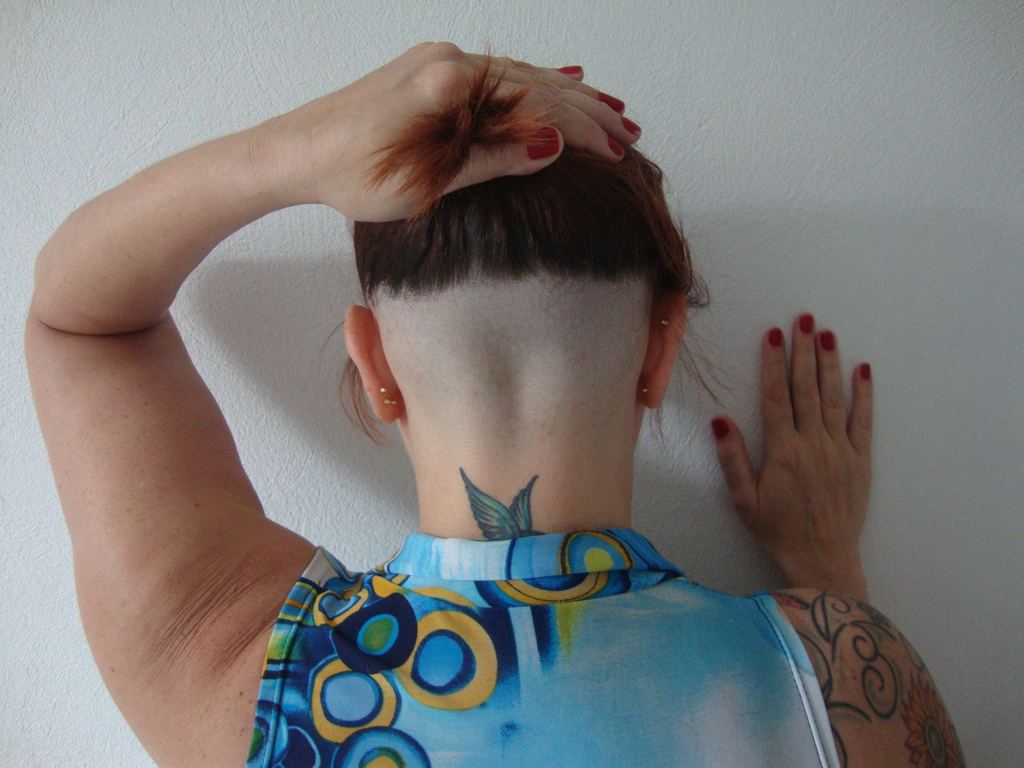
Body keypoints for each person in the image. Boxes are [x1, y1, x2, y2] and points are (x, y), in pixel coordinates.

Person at [25, 42, 964, 768]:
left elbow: (80, 322)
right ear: (660, 349)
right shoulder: (846, 674)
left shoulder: (242, 677)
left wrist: (303, 150)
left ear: (374, 363)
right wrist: (828, 580)